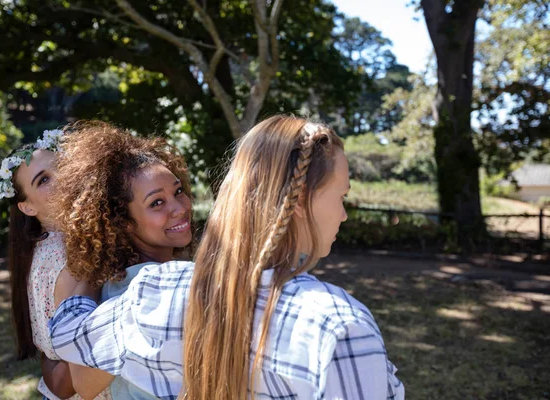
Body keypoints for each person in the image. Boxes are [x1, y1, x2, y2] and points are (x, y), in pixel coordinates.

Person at [49, 115, 405, 399]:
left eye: (179, 192)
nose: (178, 208)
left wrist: (80, 281)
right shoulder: (339, 323)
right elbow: (81, 376)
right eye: (341, 197)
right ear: (299, 200)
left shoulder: (163, 290)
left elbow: (70, 336)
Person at [49, 120, 194, 399]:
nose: (180, 207)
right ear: (122, 222)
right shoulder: (154, 287)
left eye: (177, 191)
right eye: (157, 203)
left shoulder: (113, 284)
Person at [0, 130, 111, 400]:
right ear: (27, 207)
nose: (62, 179)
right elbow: (74, 368)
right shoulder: (67, 255)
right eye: (43, 180)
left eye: (61, 168)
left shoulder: (54, 244)